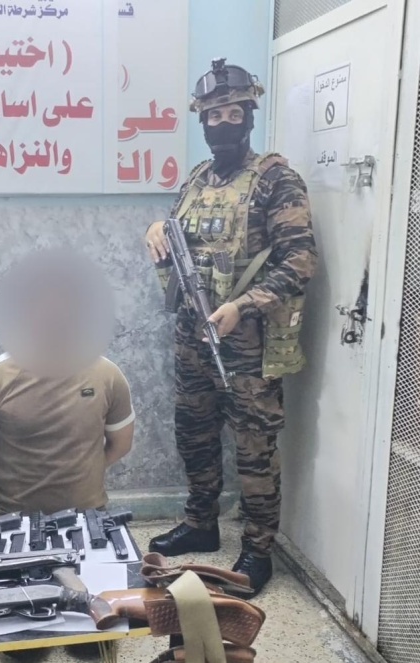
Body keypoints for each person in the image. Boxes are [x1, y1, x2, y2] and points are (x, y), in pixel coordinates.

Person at [143, 59, 317, 594]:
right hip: (193, 335)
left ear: (249, 116)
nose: (223, 123)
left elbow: (300, 260)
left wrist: (245, 305)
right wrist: (157, 228)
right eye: (213, 115)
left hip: (248, 343)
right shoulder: (198, 178)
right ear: (202, 121)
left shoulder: (276, 180)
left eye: (234, 113)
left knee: (254, 448)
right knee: (193, 433)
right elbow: (180, 234)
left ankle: (258, 550)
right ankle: (201, 523)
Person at [0, 249, 135, 517]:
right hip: (14, 517)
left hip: (89, 515)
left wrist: (85, 476)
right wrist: (8, 483)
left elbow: (121, 443)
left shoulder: (107, 375)